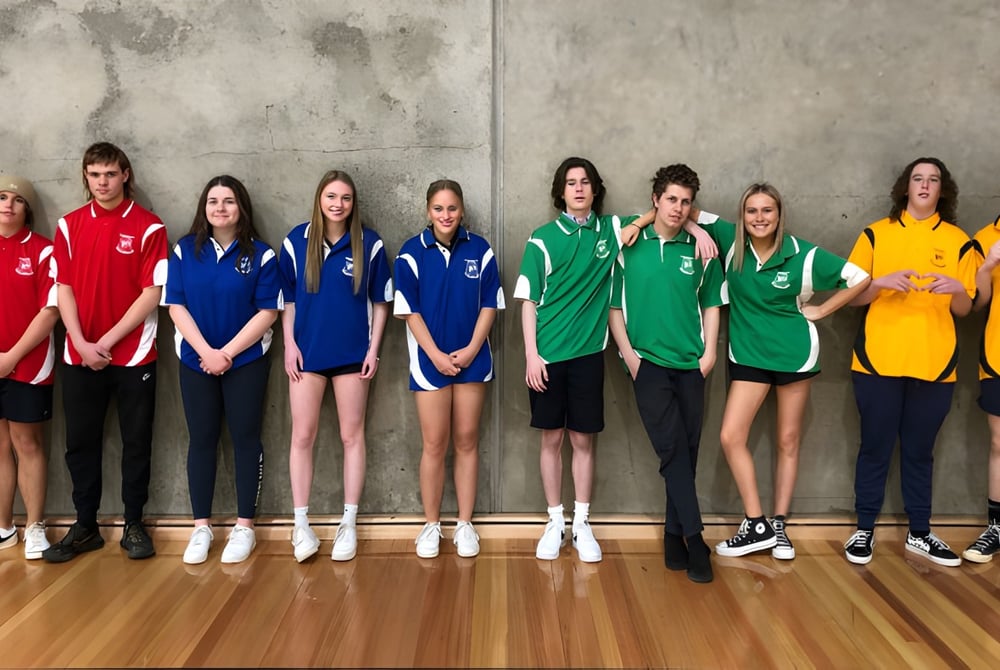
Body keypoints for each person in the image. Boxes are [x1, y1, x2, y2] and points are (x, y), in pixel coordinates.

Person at [625, 183, 870, 559]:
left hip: (795, 356)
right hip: (750, 356)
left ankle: (779, 526)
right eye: (752, 211)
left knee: (788, 440)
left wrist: (821, 311)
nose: (759, 218)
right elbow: (680, 213)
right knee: (730, 436)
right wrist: (644, 224)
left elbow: (859, 278)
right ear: (742, 216)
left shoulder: (803, 253)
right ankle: (756, 523)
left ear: (778, 214)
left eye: (767, 211)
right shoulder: (729, 238)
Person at [844, 157, 977, 567]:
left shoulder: (960, 241)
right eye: (918, 178)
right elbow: (850, 296)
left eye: (933, 180)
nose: (924, 185)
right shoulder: (874, 235)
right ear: (905, 187)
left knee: (920, 452)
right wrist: (877, 284)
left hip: (934, 365)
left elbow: (964, 309)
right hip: (876, 363)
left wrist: (958, 289)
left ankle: (920, 532)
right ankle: (864, 529)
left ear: (942, 190)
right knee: (875, 448)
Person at [43, 142, 168, 563]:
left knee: (136, 443)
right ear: (86, 177)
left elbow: (152, 293)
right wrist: (79, 342)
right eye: (95, 174)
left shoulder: (150, 227)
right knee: (80, 443)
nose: (103, 182)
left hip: (133, 357)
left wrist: (108, 343)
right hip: (79, 355)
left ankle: (134, 523)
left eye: (110, 174)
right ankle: (84, 526)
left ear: (125, 175)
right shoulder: (69, 225)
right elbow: (64, 288)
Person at [608, 164, 723, 582]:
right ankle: (696, 540)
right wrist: (630, 357)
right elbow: (613, 307)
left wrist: (709, 354)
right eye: (671, 199)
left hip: (692, 365)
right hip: (647, 365)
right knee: (672, 450)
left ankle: (673, 537)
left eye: (686, 202)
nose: (678, 208)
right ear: (655, 199)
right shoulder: (628, 241)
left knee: (686, 453)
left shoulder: (702, 250)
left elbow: (712, 304)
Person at [165, 175, 282, 565]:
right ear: (204, 208)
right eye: (213, 201)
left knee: (246, 439)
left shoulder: (262, 255)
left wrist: (227, 353)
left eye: (228, 201)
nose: (220, 208)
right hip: (195, 361)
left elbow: (268, 311)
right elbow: (175, 305)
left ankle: (244, 527)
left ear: (241, 207)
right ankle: (201, 527)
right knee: (202, 439)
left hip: (245, 361)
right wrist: (206, 352)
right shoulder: (184, 251)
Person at [278, 169, 392, 563]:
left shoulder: (370, 244)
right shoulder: (296, 241)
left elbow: (381, 303)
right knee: (302, 436)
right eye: (331, 196)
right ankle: (300, 524)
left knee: (351, 436)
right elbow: (287, 302)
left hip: (351, 357)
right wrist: (289, 346)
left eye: (345, 197)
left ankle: (349, 522)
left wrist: (372, 350)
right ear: (319, 199)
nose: (337, 204)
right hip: (306, 357)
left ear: (353, 203)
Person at [514, 156, 623, 563]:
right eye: (571, 183)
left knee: (582, 440)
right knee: (551, 438)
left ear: (596, 190)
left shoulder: (610, 230)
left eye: (585, 182)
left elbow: (658, 214)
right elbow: (526, 301)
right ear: (561, 192)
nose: (578, 188)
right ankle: (555, 521)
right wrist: (531, 355)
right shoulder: (542, 238)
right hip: (546, 358)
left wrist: (697, 226)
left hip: (589, 357)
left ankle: (581, 523)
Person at [393, 179, 504, 559]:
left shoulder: (481, 250)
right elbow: (409, 310)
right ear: (428, 211)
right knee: (434, 444)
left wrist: (473, 348)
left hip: (474, 361)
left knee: (467, 440)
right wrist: (437, 355)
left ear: (461, 211)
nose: (446, 215)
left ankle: (465, 524)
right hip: (430, 364)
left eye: (452, 208)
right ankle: (431, 524)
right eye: (439, 208)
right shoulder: (410, 254)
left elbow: (491, 303)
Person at [0, 175, 58, 560]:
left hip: (28, 364)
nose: (8, 205)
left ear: (27, 210)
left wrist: (10, 357)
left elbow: (49, 311)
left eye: (17, 200)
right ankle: (4, 527)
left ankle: (35, 527)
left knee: (26, 444)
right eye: (1, 197)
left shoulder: (43, 251)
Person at [966, 217, 1000, 563]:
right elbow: (978, 303)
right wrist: (988, 265)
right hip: (997, 354)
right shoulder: (987, 237)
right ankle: (997, 527)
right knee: (999, 442)